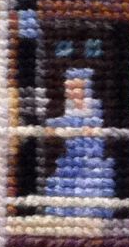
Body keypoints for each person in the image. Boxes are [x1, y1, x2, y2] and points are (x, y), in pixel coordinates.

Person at [43, 69, 116, 218]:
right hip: (72, 154)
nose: (70, 92)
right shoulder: (70, 107)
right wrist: (53, 125)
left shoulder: (93, 105)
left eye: (74, 88)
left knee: (88, 185)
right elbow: (64, 122)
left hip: (89, 155)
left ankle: (90, 215)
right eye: (68, 88)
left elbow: (92, 126)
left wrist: (72, 129)